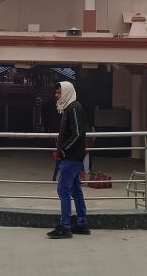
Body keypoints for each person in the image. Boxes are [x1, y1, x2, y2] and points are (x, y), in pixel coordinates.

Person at [47, 81, 90, 239]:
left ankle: (65, 226)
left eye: (59, 93)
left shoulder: (73, 108)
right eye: (56, 93)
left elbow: (78, 134)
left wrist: (63, 149)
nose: (57, 96)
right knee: (75, 190)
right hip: (73, 156)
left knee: (63, 190)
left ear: (66, 92)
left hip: (71, 157)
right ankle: (81, 223)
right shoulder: (69, 108)